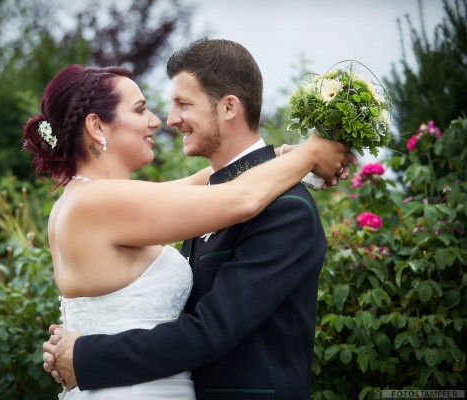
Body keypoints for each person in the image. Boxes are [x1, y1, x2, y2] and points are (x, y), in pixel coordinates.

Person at [30, 43, 354, 399]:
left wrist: (280, 156)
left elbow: (201, 185)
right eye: (141, 109)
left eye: (182, 104)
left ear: (229, 106)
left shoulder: (85, 198)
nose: (161, 119)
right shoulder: (101, 200)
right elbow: (239, 197)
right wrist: (311, 152)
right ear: (96, 125)